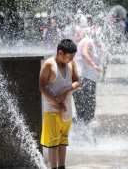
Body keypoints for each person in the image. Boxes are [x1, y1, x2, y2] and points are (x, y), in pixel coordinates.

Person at [39, 39, 80, 169]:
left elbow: (77, 81)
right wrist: (56, 101)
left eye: (73, 57)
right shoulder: (49, 65)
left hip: (67, 108)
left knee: (63, 141)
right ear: (60, 53)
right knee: (53, 143)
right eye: (69, 57)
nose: (71, 59)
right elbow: (42, 87)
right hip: (51, 109)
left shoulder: (71, 63)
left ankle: (62, 166)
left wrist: (66, 91)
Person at [73, 32, 102, 124]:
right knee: (88, 107)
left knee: (82, 109)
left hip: (83, 78)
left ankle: (81, 132)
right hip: (85, 78)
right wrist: (94, 65)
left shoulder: (92, 43)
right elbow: (84, 53)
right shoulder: (88, 41)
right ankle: (84, 132)